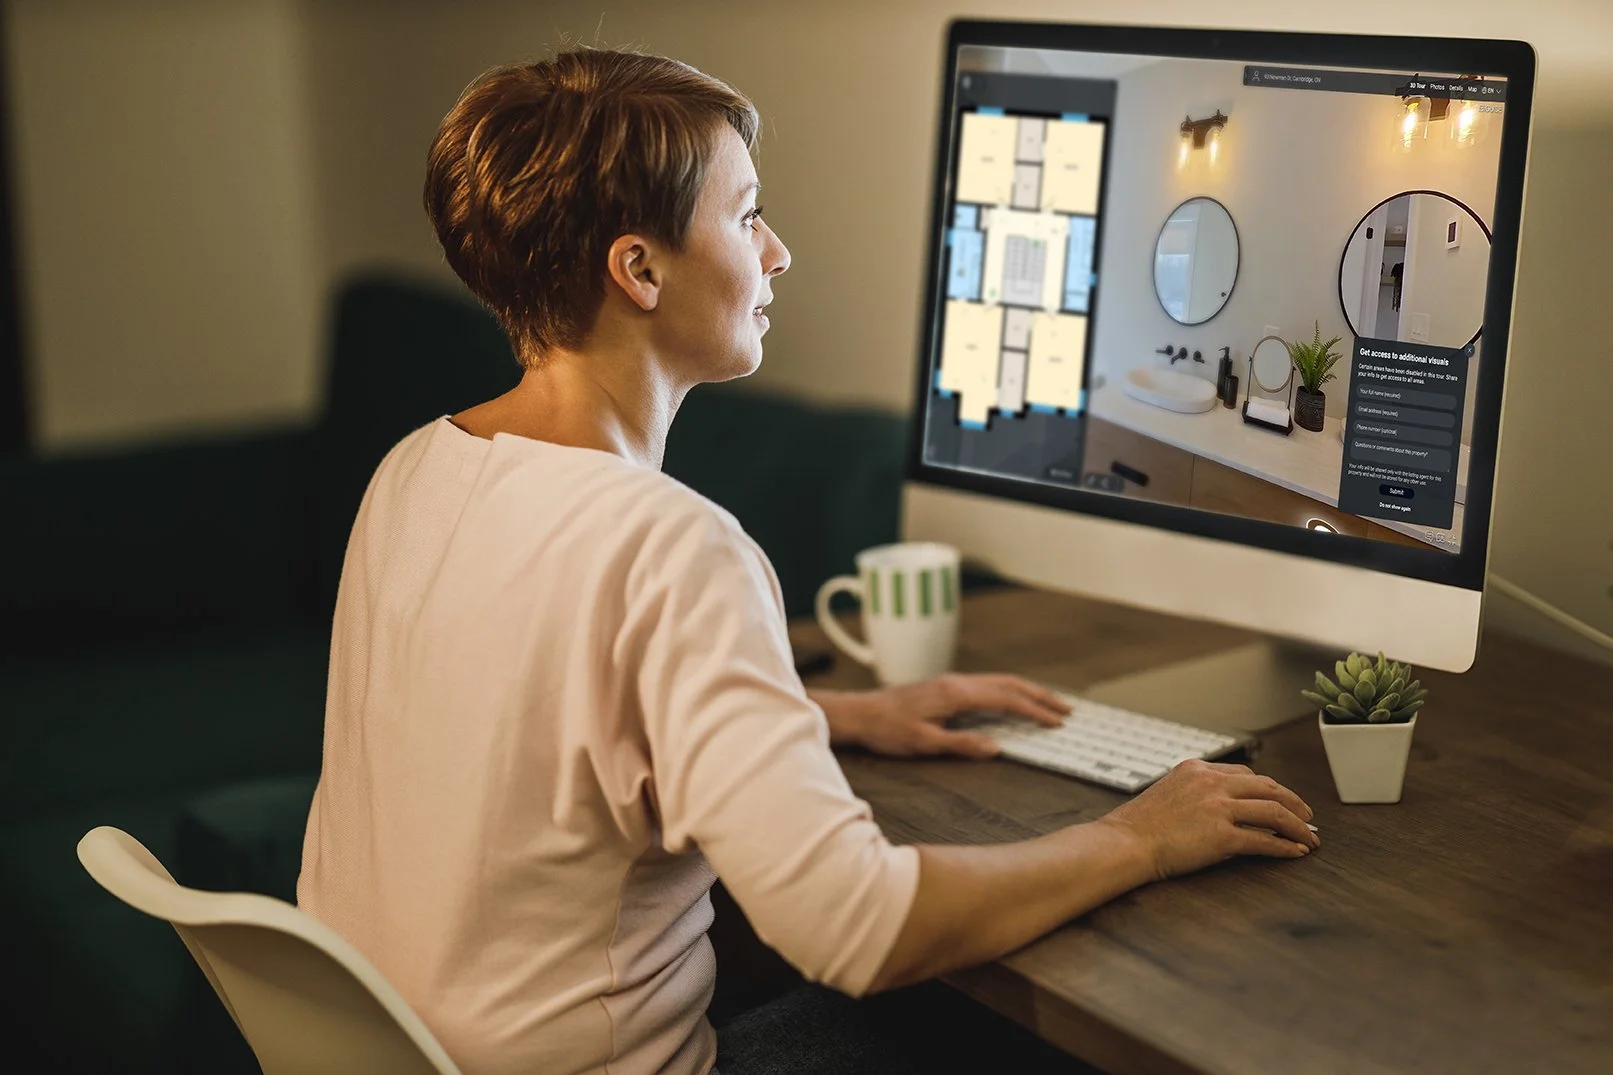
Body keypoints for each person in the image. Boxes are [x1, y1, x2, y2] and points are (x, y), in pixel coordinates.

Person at [297, 47, 1319, 1075]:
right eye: (744, 215)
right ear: (638, 268)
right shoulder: (673, 546)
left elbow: (531, 713)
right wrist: (1140, 837)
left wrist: (825, 715)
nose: (776, 251)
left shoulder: (417, 467)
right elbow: (859, 928)